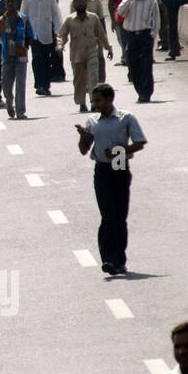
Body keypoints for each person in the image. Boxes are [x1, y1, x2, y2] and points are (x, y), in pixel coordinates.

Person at [76, 83, 145, 275]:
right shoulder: (92, 121)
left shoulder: (126, 118)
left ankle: (119, 260)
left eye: (98, 100)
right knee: (107, 215)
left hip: (119, 166)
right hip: (102, 169)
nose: (95, 104)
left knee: (120, 217)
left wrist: (120, 153)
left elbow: (140, 143)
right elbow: (84, 150)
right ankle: (108, 259)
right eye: (93, 100)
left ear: (109, 99)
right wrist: (83, 137)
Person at [58, 0, 112, 113]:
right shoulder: (69, 20)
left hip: (92, 52)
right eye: (77, 2)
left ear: (86, 4)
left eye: (82, 2)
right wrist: (60, 45)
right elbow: (62, 35)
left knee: (93, 78)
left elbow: (101, 34)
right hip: (76, 54)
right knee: (79, 81)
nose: (80, 4)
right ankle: (82, 103)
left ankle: (94, 102)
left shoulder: (93, 18)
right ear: (74, 5)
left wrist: (109, 48)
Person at [117, 0, 160, 103]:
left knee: (146, 65)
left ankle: (146, 92)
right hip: (131, 36)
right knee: (133, 65)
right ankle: (139, 90)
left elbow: (156, 19)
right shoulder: (128, 0)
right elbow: (121, 13)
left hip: (145, 35)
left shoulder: (151, 1)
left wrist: (152, 35)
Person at [22, 0, 61, 97]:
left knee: (46, 60)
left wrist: (57, 32)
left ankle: (46, 85)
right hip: (33, 35)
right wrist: (22, 33)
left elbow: (56, 15)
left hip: (47, 34)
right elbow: (23, 16)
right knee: (36, 59)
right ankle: (39, 84)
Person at [0, 0, 31, 120]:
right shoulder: (1, 20)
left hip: (21, 56)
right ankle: (9, 102)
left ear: (16, 3)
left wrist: (24, 48)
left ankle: (20, 110)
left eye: (12, 1)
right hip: (7, 57)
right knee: (6, 84)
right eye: (8, 2)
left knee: (20, 85)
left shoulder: (23, 19)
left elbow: (30, 35)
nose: (10, 4)